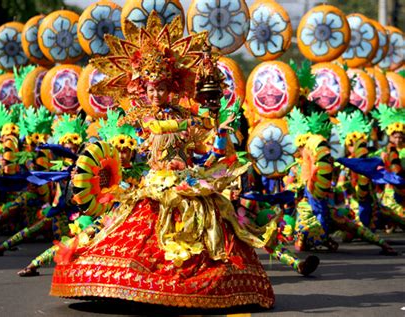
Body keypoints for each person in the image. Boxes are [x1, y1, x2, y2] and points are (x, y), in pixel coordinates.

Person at [50, 13, 275, 309]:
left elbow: (209, 132)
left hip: (185, 184)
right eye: (151, 88)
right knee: (123, 234)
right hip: (152, 184)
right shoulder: (141, 118)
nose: (156, 93)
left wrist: (216, 120)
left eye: (162, 87)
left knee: (209, 232)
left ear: (172, 88)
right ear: (144, 89)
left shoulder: (185, 116)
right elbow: (130, 148)